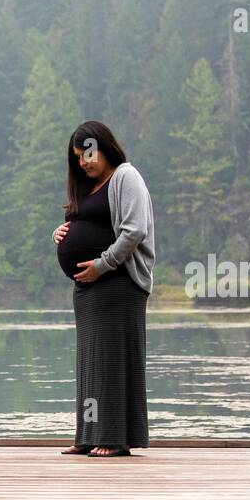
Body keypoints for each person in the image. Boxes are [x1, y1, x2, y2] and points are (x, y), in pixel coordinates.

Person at [51, 121, 155, 458]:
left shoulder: (126, 176)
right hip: (89, 286)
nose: (84, 161)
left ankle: (115, 437)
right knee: (90, 361)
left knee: (112, 360)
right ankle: (88, 434)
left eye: (89, 153)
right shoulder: (89, 187)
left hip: (119, 281)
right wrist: (62, 233)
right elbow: (89, 223)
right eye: (78, 157)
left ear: (106, 147)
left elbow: (134, 229)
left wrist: (102, 264)